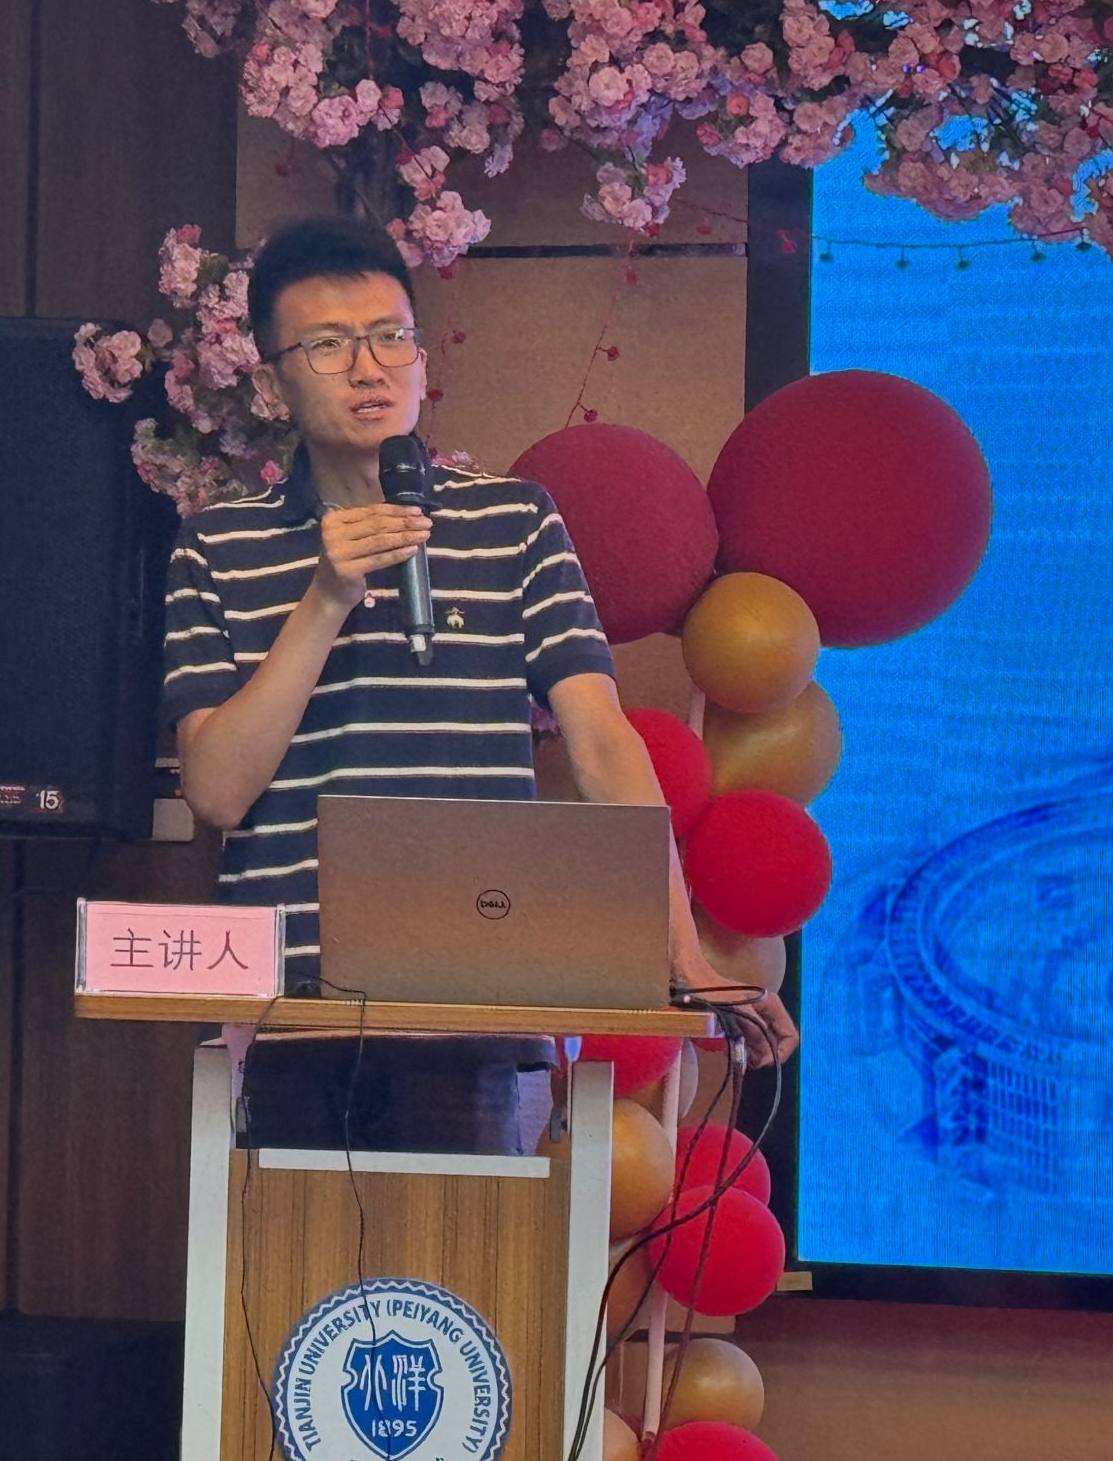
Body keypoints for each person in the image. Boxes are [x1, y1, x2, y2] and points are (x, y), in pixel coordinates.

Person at [159, 216, 798, 1149]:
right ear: (272, 380)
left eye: (390, 337)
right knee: (289, 1250)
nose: (369, 369)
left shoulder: (514, 522)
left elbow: (602, 743)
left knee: (474, 1248)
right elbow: (217, 793)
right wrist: (325, 600)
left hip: (480, 995)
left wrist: (683, 952)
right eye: (328, 346)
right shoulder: (218, 545)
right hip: (291, 1004)